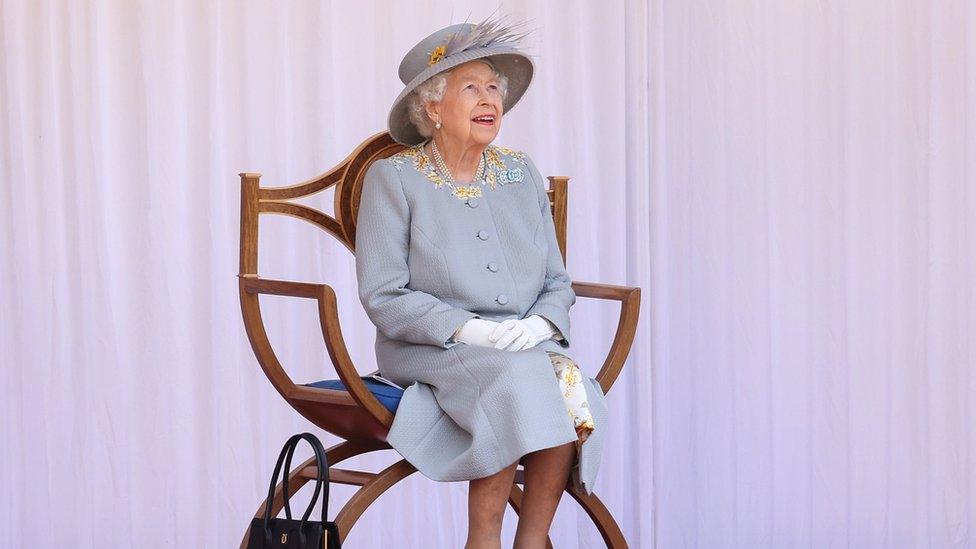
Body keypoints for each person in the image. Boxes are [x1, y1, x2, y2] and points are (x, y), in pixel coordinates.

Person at [354, 15, 609, 549]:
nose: (488, 98)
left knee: (568, 384)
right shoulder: (393, 178)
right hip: (429, 347)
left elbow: (557, 280)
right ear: (432, 107)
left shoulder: (520, 173)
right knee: (514, 382)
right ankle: (483, 540)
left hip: (520, 343)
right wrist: (469, 330)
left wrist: (541, 323)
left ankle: (532, 539)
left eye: (494, 87)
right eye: (470, 87)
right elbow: (383, 295)